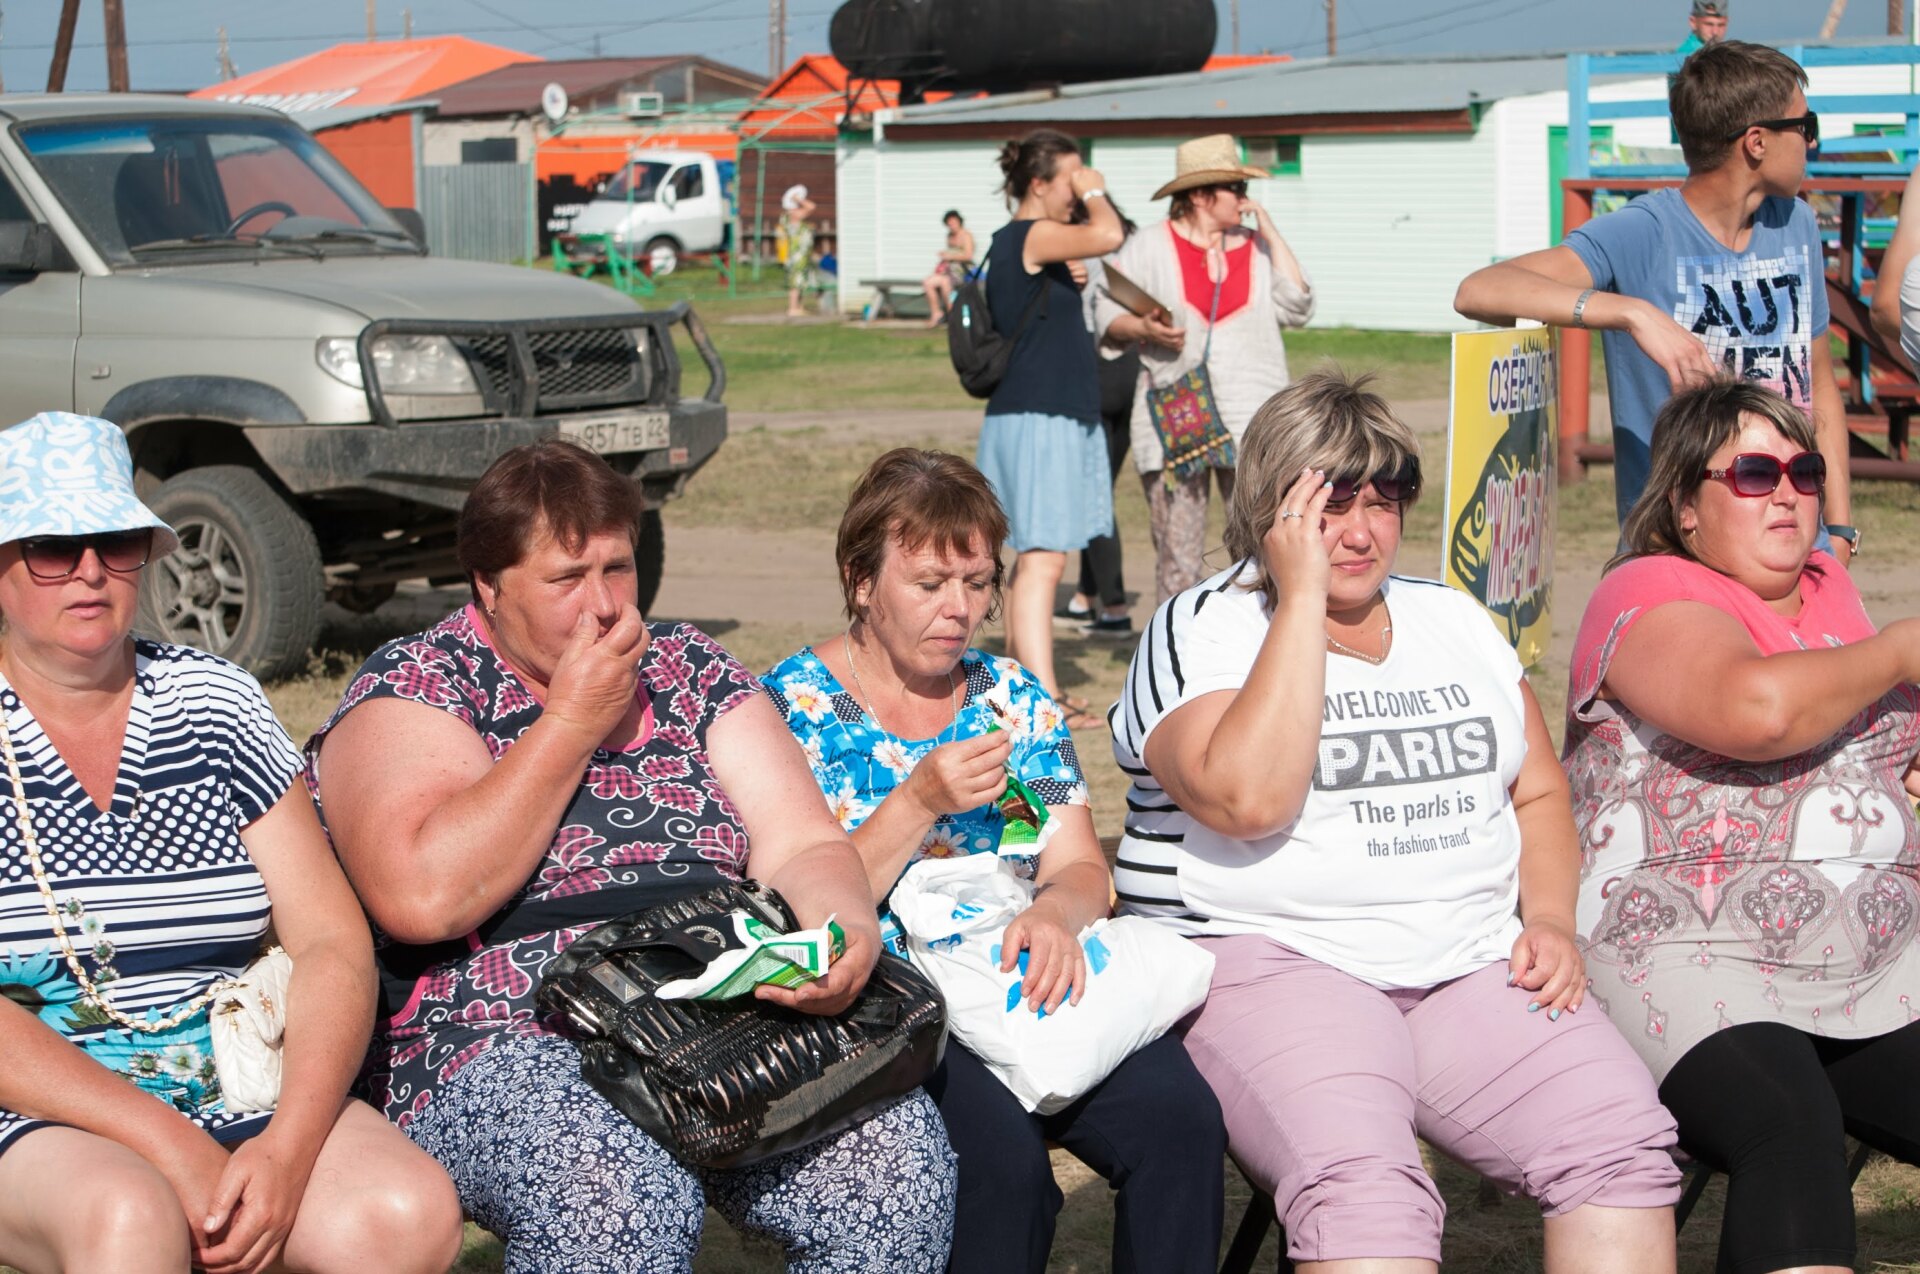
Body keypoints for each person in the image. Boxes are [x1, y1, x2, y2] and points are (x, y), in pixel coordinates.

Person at [306, 438, 956, 1273]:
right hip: (509, 1028)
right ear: (487, 586)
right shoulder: (424, 680)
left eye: (617, 568)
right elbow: (423, 895)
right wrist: (571, 723)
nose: (606, 605)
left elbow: (801, 841)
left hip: (718, 1010)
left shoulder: (689, 667)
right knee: (616, 1192)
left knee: (897, 1163)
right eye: (566, 580)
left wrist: (844, 932)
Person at [1112, 371, 1684, 1272]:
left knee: (1619, 1144)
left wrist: (1548, 920)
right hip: (1272, 959)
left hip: (1467, 962)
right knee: (1366, 1193)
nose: (1361, 530)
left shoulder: (1453, 617)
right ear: (1270, 508)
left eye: (1385, 500)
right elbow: (1246, 800)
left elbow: (1537, 794)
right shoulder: (1205, 627)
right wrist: (1300, 601)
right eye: (1331, 504)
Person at [0, 412, 462, 1274]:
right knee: (129, 1217)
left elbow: (329, 940)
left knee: (402, 1215)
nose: (91, 571)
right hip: (37, 1101)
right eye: (53, 548)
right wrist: (167, 1143)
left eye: (116, 542)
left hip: (234, 1071)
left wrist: (287, 1149)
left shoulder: (214, 701)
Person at [764, 447, 1227, 1274]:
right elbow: (799, 909)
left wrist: (1053, 913)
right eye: (929, 583)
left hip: (1018, 977)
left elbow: (1078, 866)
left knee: (1182, 1124)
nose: (959, 609)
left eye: (977, 583)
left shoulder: (1008, 700)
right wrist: (917, 801)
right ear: (861, 581)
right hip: (889, 999)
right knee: (1006, 1173)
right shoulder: (789, 711)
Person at [1565, 379, 1920, 1274]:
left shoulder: (1828, 590)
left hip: (1872, 960)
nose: (1788, 492)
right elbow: (1756, 711)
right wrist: (1899, 652)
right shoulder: (1646, 590)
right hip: (1686, 948)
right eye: (1755, 474)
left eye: (1805, 471)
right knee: (1787, 1124)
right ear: (1685, 505)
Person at [1454, 41, 1856, 563]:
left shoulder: (1797, 223)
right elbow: (1478, 291)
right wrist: (1632, 313)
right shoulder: (1644, 231)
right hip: (1679, 556)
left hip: (1801, 551)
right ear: (1756, 142)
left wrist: (1839, 531)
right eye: (1805, 125)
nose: (1811, 140)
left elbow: (1819, 384)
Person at [1094, 133, 1315, 604]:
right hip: (1176, 421)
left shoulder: (1257, 247)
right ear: (1199, 196)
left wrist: (1270, 229)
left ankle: (1261, 636)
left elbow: (1299, 304)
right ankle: (1179, 639)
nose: (1243, 197)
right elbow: (1105, 309)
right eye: (1234, 188)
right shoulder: (1150, 246)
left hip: (1252, 419)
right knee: (1177, 552)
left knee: (1261, 545)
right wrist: (1144, 328)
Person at [976, 129, 1126, 730]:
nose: (1079, 188)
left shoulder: (1032, 243)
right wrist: (1096, 192)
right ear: (1039, 184)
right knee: (1044, 559)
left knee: (1036, 556)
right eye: (1070, 177)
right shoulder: (1031, 234)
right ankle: (1042, 700)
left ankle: (1023, 690)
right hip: (1041, 415)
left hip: (1039, 412)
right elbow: (1110, 233)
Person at [1059, 196, 1143, 638]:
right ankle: (1086, 597)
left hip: (1097, 369)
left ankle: (1114, 608)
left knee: (1093, 496)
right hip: (1134, 368)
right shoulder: (1133, 241)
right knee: (1099, 488)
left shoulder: (1081, 248)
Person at [921, 210, 977, 327]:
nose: (951, 226)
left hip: (963, 271)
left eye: (953, 223)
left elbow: (968, 255)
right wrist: (943, 261)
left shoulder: (966, 235)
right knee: (927, 282)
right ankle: (936, 313)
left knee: (945, 283)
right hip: (949, 270)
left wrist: (949, 256)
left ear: (959, 221)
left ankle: (953, 315)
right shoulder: (949, 236)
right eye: (949, 224)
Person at [783, 184, 817, 318]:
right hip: (797, 255)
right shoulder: (792, 215)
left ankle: (798, 307)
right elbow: (811, 207)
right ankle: (792, 308)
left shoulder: (791, 215)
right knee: (796, 282)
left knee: (801, 281)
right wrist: (797, 198)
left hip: (801, 254)